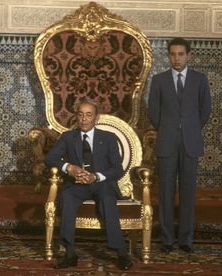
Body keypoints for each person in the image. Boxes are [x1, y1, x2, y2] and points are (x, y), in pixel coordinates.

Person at [45, 99, 132, 270]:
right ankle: (70, 254)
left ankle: (121, 253)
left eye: (89, 115)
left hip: (101, 184)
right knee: (66, 197)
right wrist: (68, 167)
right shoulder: (68, 137)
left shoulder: (108, 138)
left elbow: (117, 169)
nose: (84, 119)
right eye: (80, 114)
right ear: (77, 117)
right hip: (76, 185)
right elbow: (50, 158)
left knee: (107, 199)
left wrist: (96, 176)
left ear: (96, 118)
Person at [148, 37, 211, 253]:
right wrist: (169, 129)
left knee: (187, 192)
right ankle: (167, 239)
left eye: (181, 54)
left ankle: (185, 239)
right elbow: (153, 113)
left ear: (189, 55)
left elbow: (205, 111)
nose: (177, 58)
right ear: (168, 56)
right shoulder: (159, 80)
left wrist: (189, 130)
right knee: (165, 192)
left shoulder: (200, 80)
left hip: (190, 144)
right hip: (166, 143)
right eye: (173, 54)